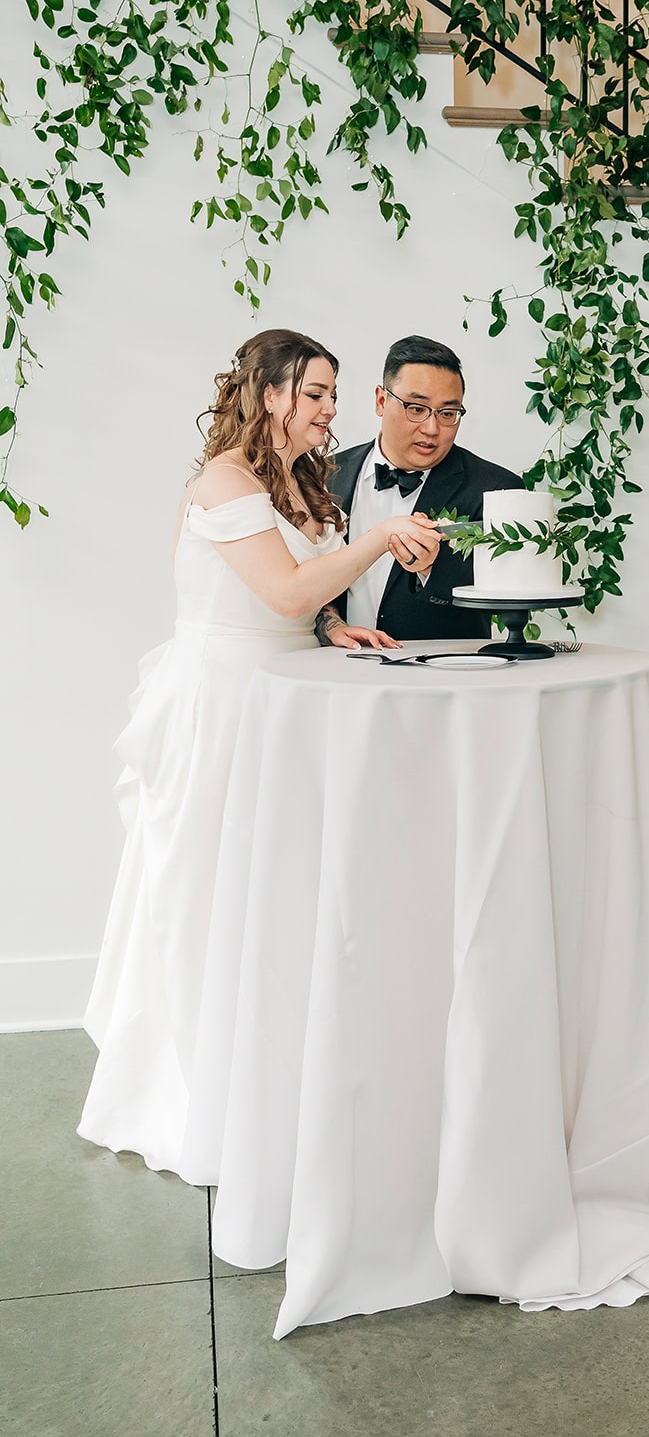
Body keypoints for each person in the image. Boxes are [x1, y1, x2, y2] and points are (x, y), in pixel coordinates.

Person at [78, 328, 440, 1178]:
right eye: (315, 393)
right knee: (208, 897)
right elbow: (276, 586)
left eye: (332, 395)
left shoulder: (305, 485)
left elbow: (296, 602)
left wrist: (329, 624)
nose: (329, 410)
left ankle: (279, 1079)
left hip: (286, 708)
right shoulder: (223, 480)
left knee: (278, 898)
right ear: (270, 394)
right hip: (222, 710)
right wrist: (380, 541)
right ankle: (203, 1095)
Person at [317, 334, 524, 645]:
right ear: (381, 401)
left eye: (448, 413)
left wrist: (432, 568)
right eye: (416, 408)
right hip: (335, 669)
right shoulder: (323, 475)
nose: (432, 428)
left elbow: (509, 589)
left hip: (444, 675)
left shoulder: (496, 489)